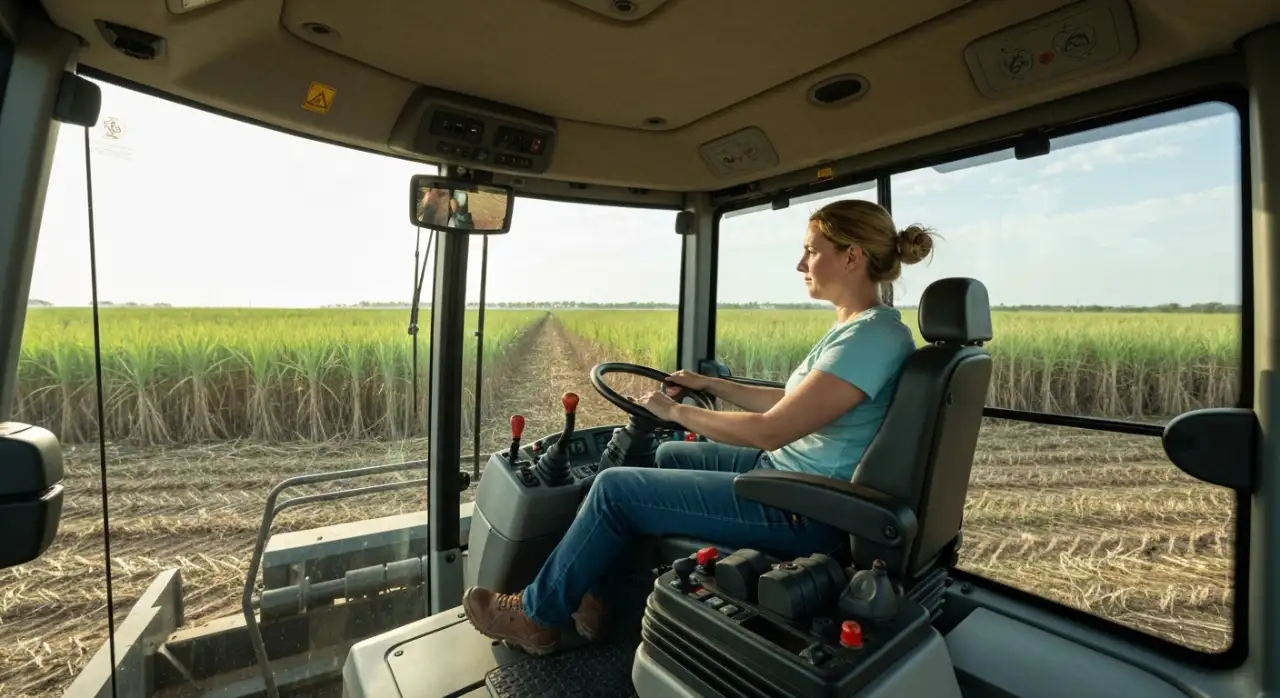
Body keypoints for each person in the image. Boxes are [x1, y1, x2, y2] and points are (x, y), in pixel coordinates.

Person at [461, 199, 938, 655]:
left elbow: (772, 430)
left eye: (811, 250)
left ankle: (536, 616)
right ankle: (597, 596)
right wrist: (708, 384)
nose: (801, 264)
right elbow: (795, 404)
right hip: (794, 475)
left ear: (851, 256)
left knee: (612, 489)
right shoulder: (862, 329)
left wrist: (678, 413)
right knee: (668, 454)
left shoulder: (869, 339)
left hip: (805, 506)